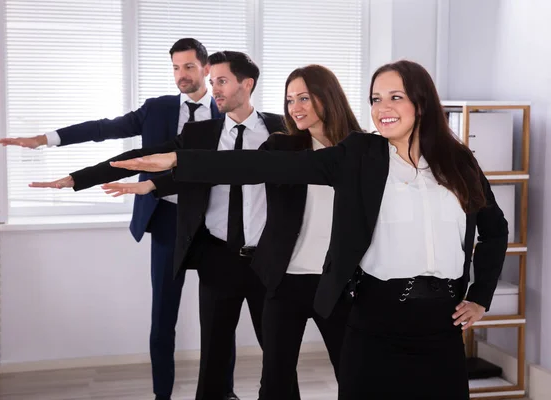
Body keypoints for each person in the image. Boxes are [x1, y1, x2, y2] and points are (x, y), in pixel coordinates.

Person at [109, 60, 510, 400]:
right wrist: (181, 161)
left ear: (422, 102)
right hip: (374, 316)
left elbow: (494, 229)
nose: (382, 108)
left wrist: (480, 296)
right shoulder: (361, 156)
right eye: (375, 99)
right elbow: (263, 166)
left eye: (395, 97)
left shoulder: (459, 163)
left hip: (441, 321)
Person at [28, 51, 301, 400]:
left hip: (271, 261)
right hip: (219, 258)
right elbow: (142, 157)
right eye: (212, 79)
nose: (212, 88)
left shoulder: (284, 129)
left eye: (221, 80)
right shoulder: (200, 134)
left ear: (246, 84)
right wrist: (78, 178)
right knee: (214, 360)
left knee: (279, 358)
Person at [0, 38, 239, 400]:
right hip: (167, 220)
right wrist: (45, 139)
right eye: (175, 67)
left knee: (220, 319)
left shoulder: (227, 110)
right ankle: (162, 396)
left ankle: (223, 392)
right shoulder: (157, 109)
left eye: (189, 67)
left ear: (206, 68)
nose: (181, 75)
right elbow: (103, 128)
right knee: (163, 318)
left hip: (213, 223)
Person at [103, 64, 361, 398]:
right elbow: (236, 164)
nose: (294, 107)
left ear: (328, 98)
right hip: (284, 282)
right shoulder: (284, 148)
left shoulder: (362, 151)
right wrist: (173, 165)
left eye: (304, 98)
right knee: (276, 384)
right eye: (290, 100)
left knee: (355, 377)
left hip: (337, 284)